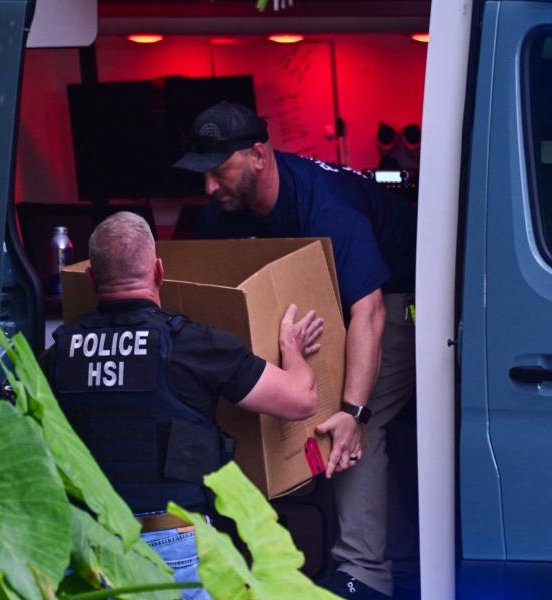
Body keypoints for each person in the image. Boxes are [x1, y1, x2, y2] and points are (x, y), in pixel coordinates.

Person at [175, 102, 418, 599]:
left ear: (258, 156)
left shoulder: (330, 207)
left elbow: (368, 313)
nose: (209, 188)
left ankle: (364, 574)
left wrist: (353, 409)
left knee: (346, 426)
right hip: (310, 301)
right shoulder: (222, 212)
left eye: (219, 172)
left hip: (396, 302)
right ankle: (392, 551)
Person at [41, 212, 327, 599]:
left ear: (90, 279)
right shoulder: (192, 345)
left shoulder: (59, 352)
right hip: (171, 542)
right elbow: (301, 399)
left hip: (90, 545)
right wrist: (291, 349)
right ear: (159, 271)